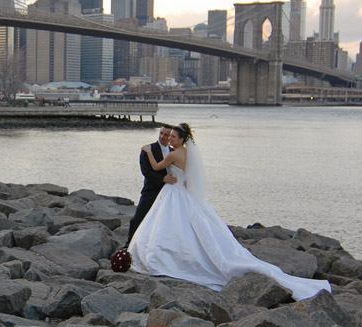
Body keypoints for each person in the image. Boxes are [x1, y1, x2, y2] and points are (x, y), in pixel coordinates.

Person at [127, 123, 332, 301]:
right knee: (190, 226)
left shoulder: (173, 153)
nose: (169, 139)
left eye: (173, 136)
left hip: (174, 192)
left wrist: (146, 150)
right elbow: (189, 177)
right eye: (168, 136)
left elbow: (156, 165)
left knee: (169, 225)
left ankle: (167, 256)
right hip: (181, 191)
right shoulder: (189, 153)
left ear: (181, 139)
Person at [125, 126, 178, 246]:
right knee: (138, 218)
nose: (162, 137)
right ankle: (129, 244)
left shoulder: (174, 152)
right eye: (161, 133)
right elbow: (146, 171)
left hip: (169, 192)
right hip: (151, 190)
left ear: (170, 137)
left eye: (166, 135)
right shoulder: (148, 149)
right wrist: (162, 179)